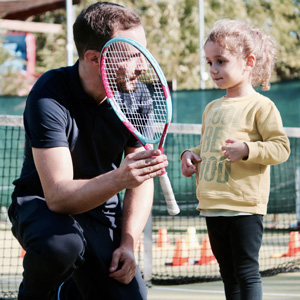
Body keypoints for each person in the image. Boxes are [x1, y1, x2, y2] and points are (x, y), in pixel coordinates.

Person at [8, 2, 169, 300]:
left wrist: (127, 244)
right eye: (133, 55)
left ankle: (72, 290)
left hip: (102, 214)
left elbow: (141, 179)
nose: (143, 65)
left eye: (143, 54)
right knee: (62, 247)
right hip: (42, 205)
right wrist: (120, 179)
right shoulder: (49, 93)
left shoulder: (139, 95)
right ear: (95, 58)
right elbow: (58, 197)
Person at [180, 19, 290, 300]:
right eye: (209, 62)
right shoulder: (211, 108)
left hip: (244, 207)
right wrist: (191, 154)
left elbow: (280, 148)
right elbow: (207, 146)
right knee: (227, 273)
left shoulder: (262, 106)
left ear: (248, 62)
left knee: (246, 272)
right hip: (212, 206)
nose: (213, 69)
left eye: (221, 61)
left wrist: (248, 149)